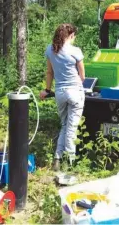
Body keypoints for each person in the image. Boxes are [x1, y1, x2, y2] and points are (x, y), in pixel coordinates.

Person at [40, 23, 85, 171]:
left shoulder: (50, 50)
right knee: (72, 128)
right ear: (71, 36)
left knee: (65, 125)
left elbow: (49, 73)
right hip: (75, 92)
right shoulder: (75, 51)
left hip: (59, 92)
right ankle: (70, 162)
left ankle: (57, 159)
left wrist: (47, 90)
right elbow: (82, 76)